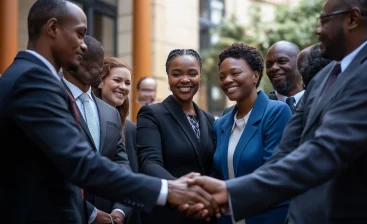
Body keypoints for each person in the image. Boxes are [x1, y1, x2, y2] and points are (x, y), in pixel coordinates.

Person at [0, 1, 219, 223]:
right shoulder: (32, 80)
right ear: (53, 28)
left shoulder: (29, 76)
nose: (84, 45)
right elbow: (80, 163)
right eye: (79, 33)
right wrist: (167, 190)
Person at [188, 0, 367, 223]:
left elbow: (325, 151)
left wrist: (232, 193)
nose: (318, 30)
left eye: (324, 20)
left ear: (353, 19)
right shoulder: (322, 77)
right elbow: (285, 152)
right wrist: (230, 190)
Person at [213, 43, 292, 224]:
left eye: (235, 73)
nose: (227, 80)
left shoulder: (276, 112)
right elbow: (217, 175)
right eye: (222, 76)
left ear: (255, 76)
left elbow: (273, 171)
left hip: (266, 217)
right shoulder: (221, 124)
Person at [137, 49, 216, 224]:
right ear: (168, 78)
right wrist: (182, 192)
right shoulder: (152, 114)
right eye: (176, 74)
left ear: (200, 77)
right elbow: (149, 163)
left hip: (204, 215)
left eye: (192, 73)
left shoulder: (210, 120)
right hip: (169, 214)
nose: (185, 79)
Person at [62, 35, 132, 224]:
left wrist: (121, 209)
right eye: (92, 62)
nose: (98, 68)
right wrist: (91, 214)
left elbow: (121, 164)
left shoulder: (110, 113)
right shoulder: (53, 99)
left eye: (99, 62)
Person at [92, 56, 141, 224]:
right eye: (117, 80)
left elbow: (131, 175)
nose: (123, 87)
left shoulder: (131, 129)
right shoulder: (83, 120)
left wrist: (120, 211)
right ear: (100, 82)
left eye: (127, 83)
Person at [265, 41, 304, 113]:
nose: (273, 68)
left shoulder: (318, 100)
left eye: (282, 61)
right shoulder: (261, 106)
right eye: (269, 65)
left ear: (300, 63)